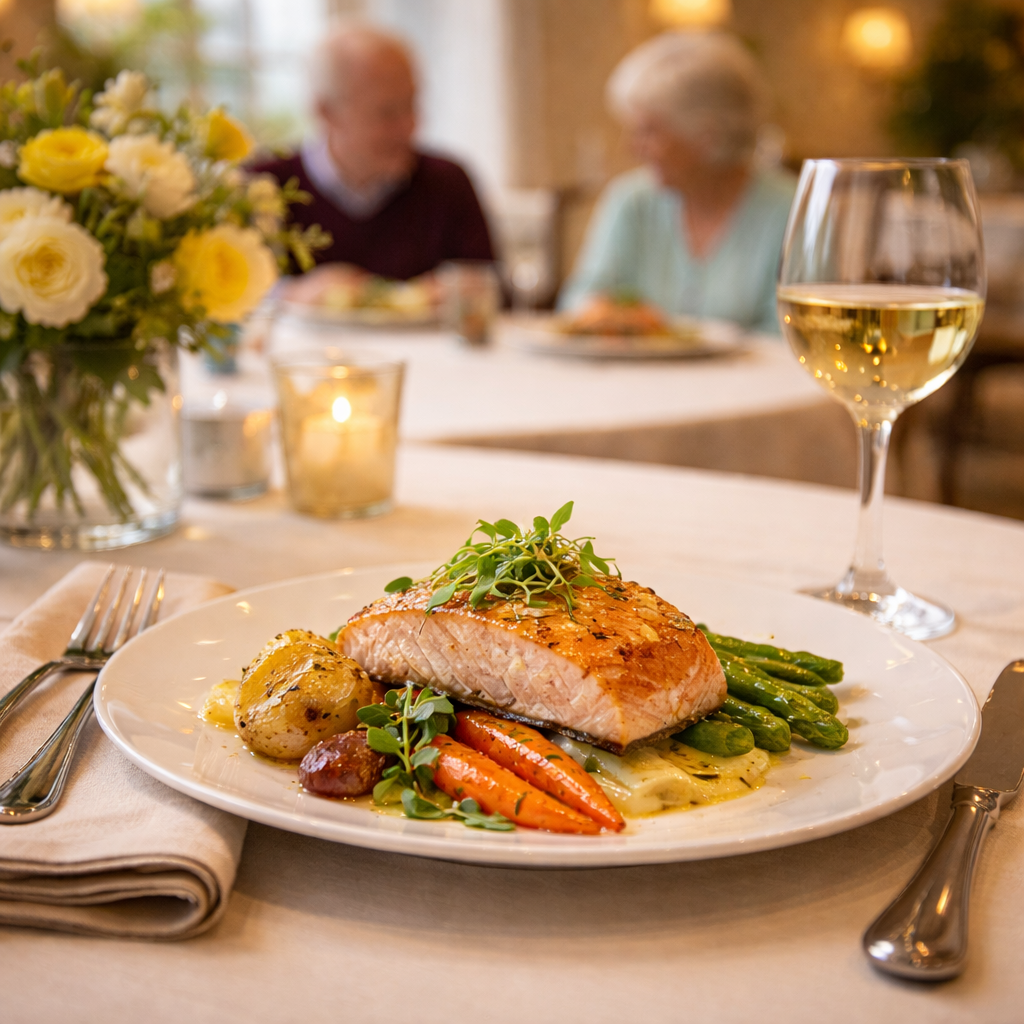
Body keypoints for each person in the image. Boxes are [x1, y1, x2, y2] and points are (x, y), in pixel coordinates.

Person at [559, 32, 795, 335]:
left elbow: (790, 334)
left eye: (649, 132)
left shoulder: (789, 211)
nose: (632, 148)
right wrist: (605, 313)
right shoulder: (631, 200)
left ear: (707, 136)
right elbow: (579, 299)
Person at [255, 23, 494, 286]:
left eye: (412, 104)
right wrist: (293, 294)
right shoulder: (262, 187)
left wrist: (462, 290)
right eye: (388, 112)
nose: (410, 125)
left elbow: (493, 288)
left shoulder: (449, 182)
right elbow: (236, 309)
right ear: (327, 112)